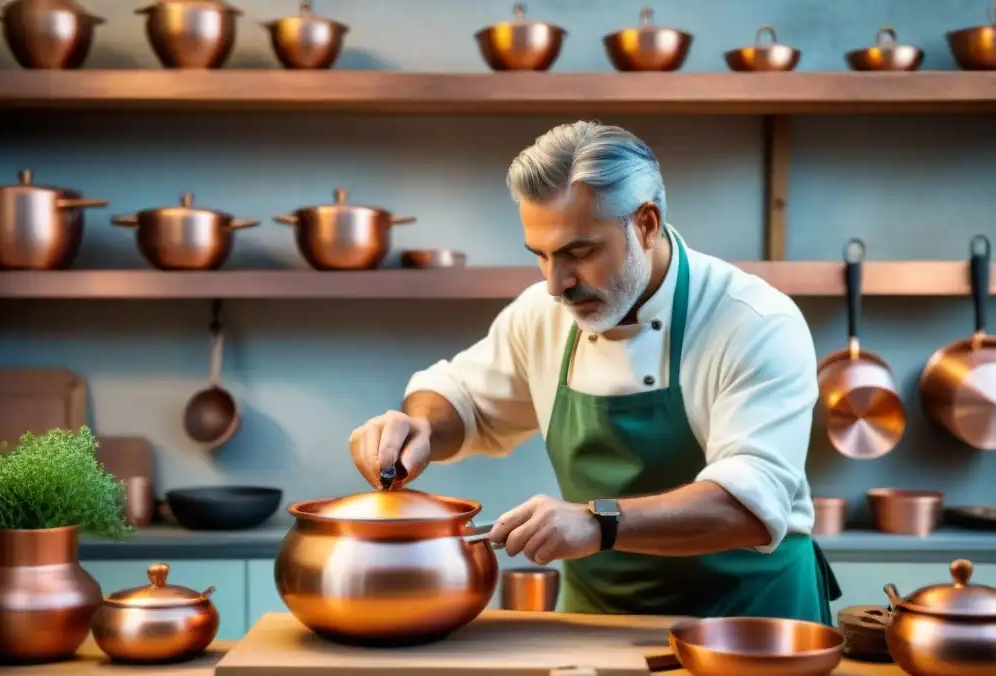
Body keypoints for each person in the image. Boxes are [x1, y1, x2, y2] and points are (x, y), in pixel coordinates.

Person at [349, 121, 840, 623]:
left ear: (646, 224)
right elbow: (462, 399)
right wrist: (421, 428)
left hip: (753, 626)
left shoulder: (754, 321)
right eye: (540, 256)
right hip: (599, 626)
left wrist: (597, 522)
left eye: (579, 253)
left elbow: (747, 505)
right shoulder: (541, 314)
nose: (556, 284)